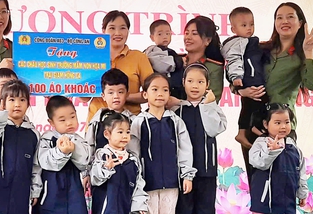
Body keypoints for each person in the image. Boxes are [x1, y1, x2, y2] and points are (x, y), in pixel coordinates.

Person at [238, 2, 313, 178]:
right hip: (253, 125)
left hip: (281, 127)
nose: (284, 21)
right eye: (279, 17)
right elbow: (239, 74)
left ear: (300, 23)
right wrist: (239, 90)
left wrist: (308, 53)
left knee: (281, 185)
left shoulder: (304, 53)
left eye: (290, 17)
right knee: (258, 186)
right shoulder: (261, 49)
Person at [128, 73, 196, 214]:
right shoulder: (138, 122)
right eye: (155, 89)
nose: (160, 94)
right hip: (147, 183)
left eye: (165, 90)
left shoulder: (176, 121)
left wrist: (187, 176)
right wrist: (137, 181)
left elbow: (185, 150)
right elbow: (133, 154)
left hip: (172, 182)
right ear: (145, 94)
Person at [0, 80, 42, 214]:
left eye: (22, 99)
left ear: (28, 104)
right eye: (12, 99)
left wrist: (35, 189)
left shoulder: (33, 134)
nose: (17, 104)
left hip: (19, 195)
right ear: (2, 102)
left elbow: (36, 165)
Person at [172, 64, 227, 214]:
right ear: (183, 82)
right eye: (190, 81)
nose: (195, 86)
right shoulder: (176, 110)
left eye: (200, 82)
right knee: (184, 209)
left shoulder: (212, 107)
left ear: (208, 84)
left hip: (207, 170)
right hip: (182, 173)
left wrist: (208, 105)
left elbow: (214, 129)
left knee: (206, 209)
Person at [85, 10, 154, 122]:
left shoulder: (139, 57)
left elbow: (151, 93)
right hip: (98, 122)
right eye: (112, 28)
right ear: (103, 31)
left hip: (129, 124)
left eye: (122, 28)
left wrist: (124, 96)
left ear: (128, 31)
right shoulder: (93, 57)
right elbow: (84, 98)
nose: (117, 33)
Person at [221, 7, 267, 149]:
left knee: (253, 105)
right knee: (252, 104)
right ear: (233, 29)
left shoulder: (250, 42)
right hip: (249, 81)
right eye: (244, 25)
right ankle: (245, 131)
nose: (249, 28)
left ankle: (251, 128)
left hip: (255, 80)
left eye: (251, 24)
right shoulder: (239, 43)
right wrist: (236, 79)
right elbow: (234, 60)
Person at [35, 96, 90, 214]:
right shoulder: (46, 139)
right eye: (62, 120)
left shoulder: (78, 140)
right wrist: (61, 152)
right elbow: (45, 162)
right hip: (51, 194)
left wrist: (73, 148)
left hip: (74, 194)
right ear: (51, 122)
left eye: (72, 117)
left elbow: (84, 162)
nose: (69, 122)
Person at [249, 103, 307, 214]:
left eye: (287, 122)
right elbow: (259, 163)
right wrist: (271, 151)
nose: (283, 127)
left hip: (287, 204)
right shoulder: (261, 143)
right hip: (265, 204)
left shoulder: (294, 148)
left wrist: (302, 193)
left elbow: (301, 173)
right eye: (277, 123)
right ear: (266, 124)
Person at [84, 69, 136, 190]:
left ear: (127, 94)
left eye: (120, 92)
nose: (116, 96)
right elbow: (89, 148)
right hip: (101, 177)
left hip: (127, 177)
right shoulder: (96, 121)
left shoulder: (134, 121)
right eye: (111, 92)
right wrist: (86, 173)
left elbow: (136, 151)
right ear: (103, 96)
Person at [90, 112, 148, 214]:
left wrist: (139, 206)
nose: (125, 136)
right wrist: (105, 168)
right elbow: (94, 179)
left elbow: (138, 185)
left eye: (128, 132)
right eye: (120, 132)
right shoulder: (102, 155)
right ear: (107, 134)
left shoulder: (132, 160)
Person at [169, 16, 224, 102]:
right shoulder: (173, 60)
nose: (188, 37)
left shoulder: (214, 67)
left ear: (208, 40)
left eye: (194, 34)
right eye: (186, 33)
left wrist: (177, 104)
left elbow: (211, 100)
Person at [144, 19, 184, 97]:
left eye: (167, 33)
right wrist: (178, 61)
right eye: (160, 34)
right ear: (152, 37)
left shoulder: (170, 51)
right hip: (161, 90)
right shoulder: (152, 51)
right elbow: (161, 65)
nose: (164, 36)